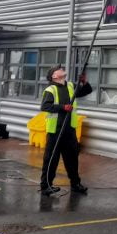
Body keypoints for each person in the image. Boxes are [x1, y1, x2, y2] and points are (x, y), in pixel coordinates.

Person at [40, 65, 92, 196]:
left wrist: (84, 83)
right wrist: (63, 107)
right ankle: (46, 186)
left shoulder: (70, 86)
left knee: (72, 159)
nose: (62, 69)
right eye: (59, 69)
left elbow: (86, 91)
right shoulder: (50, 89)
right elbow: (45, 106)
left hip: (69, 130)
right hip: (55, 131)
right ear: (54, 76)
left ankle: (75, 184)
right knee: (51, 159)